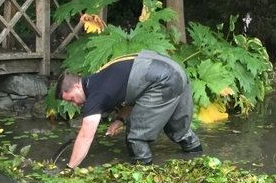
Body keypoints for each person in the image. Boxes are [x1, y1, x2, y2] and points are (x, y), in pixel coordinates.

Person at [56, 50, 202, 168]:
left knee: (136, 137)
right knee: (178, 129)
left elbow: (85, 136)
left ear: (76, 86)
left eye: (72, 99)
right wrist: (120, 119)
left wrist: (70, 169)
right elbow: (135, 90)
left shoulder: (95, 96)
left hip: (162, 80)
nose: (74, 104)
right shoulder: (99, 78)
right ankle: (200, 160)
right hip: (175, 70)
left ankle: (145, 178)